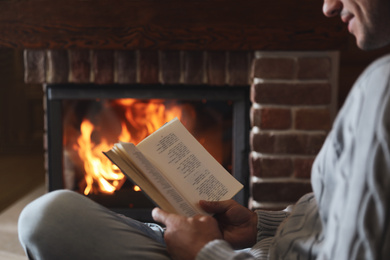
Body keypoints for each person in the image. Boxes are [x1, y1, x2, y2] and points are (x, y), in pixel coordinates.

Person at [18, 0, 390, 258]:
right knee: (51, 214)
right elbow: (333, 213)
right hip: (255, 246)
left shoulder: (382, 85)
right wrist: (261, 224)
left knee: (47, 221)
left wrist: (203, 252)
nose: (327, 7)